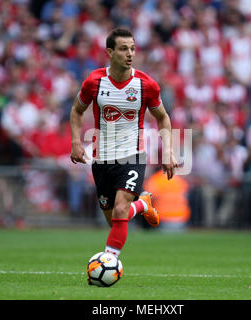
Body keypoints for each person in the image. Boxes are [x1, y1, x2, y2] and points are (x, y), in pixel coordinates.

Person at [69, 28, 177, 265]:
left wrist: (168, 150)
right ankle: (142, 204)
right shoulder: (94, 82)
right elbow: (77, 111)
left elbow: (163, 117)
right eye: (123, 48)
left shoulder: (146, 84)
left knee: (119, 211)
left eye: (132, 48)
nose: (130, 53)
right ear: (110, 52)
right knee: (116, 220)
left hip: (133, 155)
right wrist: (76, 142)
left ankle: (107, 263)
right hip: (102, 159)